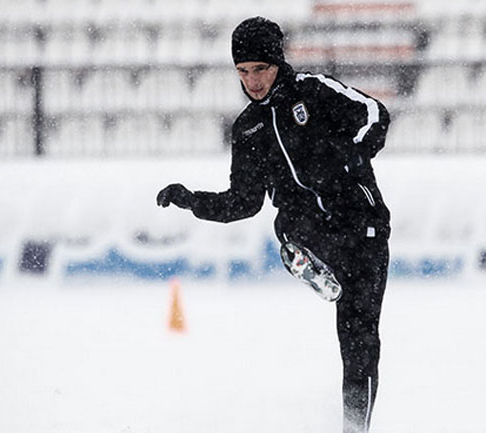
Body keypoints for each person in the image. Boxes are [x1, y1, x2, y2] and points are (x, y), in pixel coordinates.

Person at [156, 16, 391, 433]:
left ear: (279, 63)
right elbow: (242, 203)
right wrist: (190, 200)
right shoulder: (248, 129)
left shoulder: (315, 92)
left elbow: (376, 113)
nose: (253, 81)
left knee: (358, 343)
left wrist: (358, 152)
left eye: (260, 69)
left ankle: (356, 428)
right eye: (243, 72)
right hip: (307, 229)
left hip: (362, 226)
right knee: (286, 224)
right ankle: (309, 262)